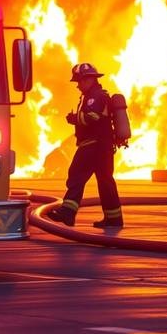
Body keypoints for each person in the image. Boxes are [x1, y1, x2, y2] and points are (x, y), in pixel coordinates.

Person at [45, 63, 124, 228]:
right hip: (104, 146)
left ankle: (67, 213)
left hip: (93, 145)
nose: (78, 85)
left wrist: (74, 119)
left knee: (76, 174)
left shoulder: (94, 96)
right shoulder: (96, 95)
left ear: (89, 79)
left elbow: (92, 116)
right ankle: (114, 218)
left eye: (80, 81)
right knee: (105, 181)